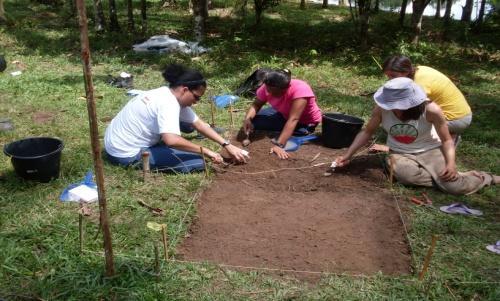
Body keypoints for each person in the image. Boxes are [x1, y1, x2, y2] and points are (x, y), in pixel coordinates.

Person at [334, 77, 498, 195]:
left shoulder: (431, 110)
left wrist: (451, 164)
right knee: (406, 176)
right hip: (399, 152)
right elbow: (367, 132)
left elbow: (447, 140)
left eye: (399, 106)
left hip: (431, 150)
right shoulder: (381, 109)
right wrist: (348, 156)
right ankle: (443, 180)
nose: (395, 109)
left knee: (455, 188)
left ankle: (485, 178)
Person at [104, 64, 248, 173]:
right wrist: (207, 151)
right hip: (125, 154)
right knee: (199, 162)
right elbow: (171, 141)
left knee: (187, 125)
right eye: (196, 97)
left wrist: (227, 145)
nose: (197, 102)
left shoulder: (164, 92)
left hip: (115, 144)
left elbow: (199, 124)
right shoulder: (168, 103)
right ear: (185, 89)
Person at [241, 69, 322, 159]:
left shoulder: (300, 89)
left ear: (286, 88)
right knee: (254, 121)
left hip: (303, 121)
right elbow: (256, 104)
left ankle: (299, 132)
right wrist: (248, 119)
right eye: (269, 90)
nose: (270, 93)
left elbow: (294, 119)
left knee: (296, 130)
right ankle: (284, 131)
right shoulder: (267, 87)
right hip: (283, 112)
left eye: (275, 92)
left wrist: (279, 145)